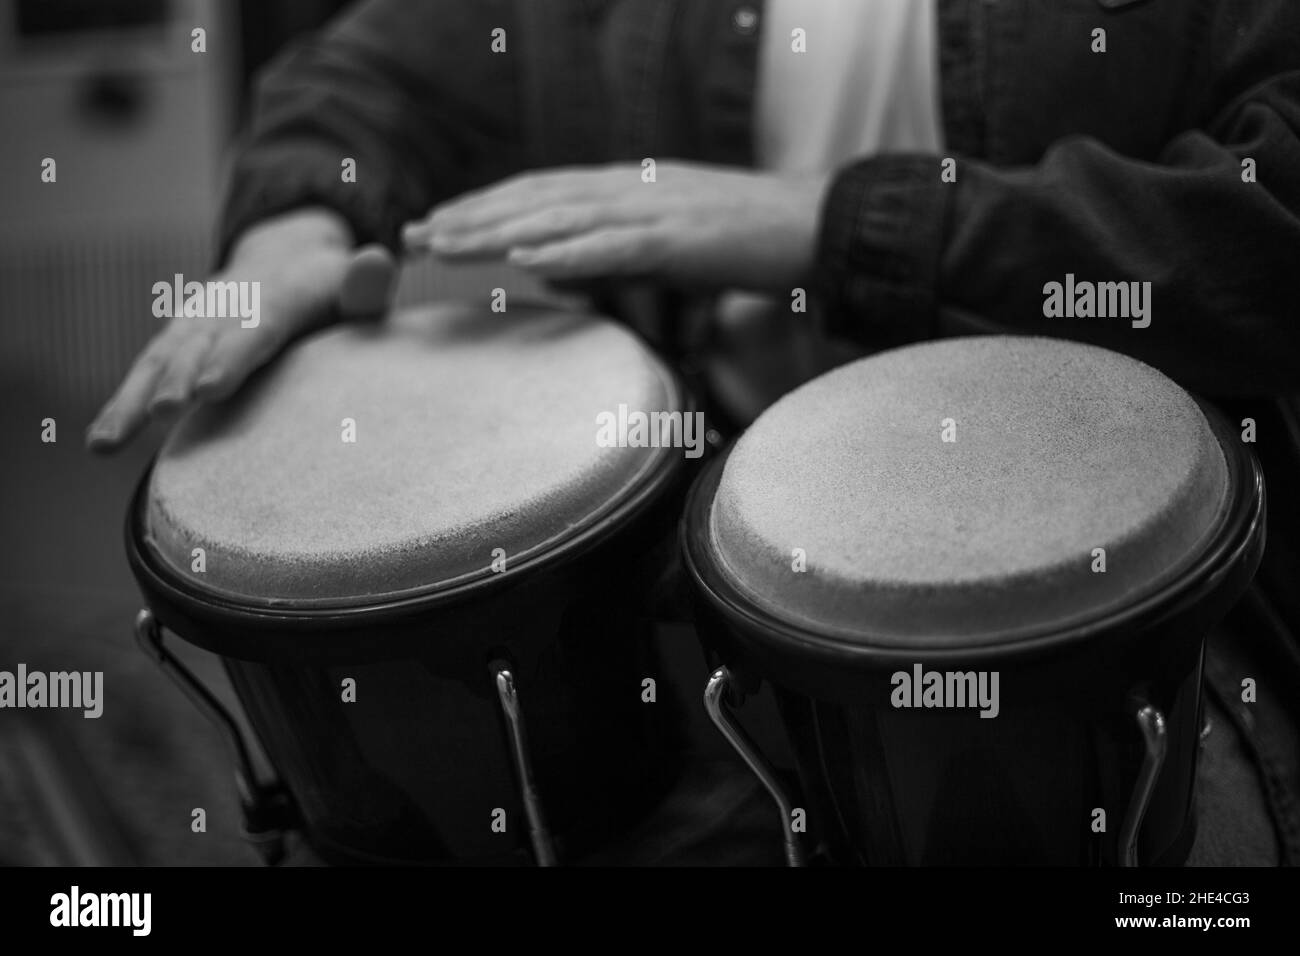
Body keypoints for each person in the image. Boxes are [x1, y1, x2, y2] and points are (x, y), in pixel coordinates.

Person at [87, 0, 1300, 859]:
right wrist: (292, 228)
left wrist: (821, 221)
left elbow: (1271, 209)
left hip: (1130, 580)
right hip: (701, 538)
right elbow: (366, 72)